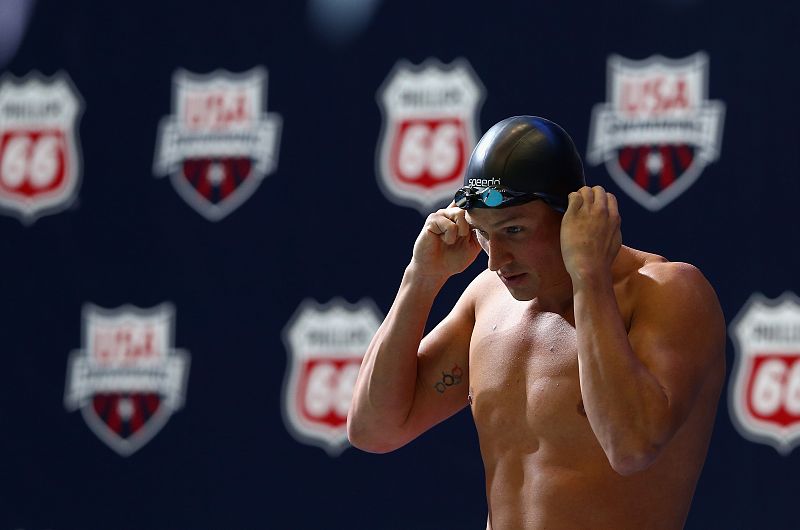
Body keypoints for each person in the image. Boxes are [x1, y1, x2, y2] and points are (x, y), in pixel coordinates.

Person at [347, 115, 726, 530]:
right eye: (483, 234)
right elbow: (374, 429)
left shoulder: (668, 294)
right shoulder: (487, 300)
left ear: (572, 214)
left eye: (514, 230)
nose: (496, 260)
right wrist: (420, 280)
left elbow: (630, 447)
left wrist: (589, 278)